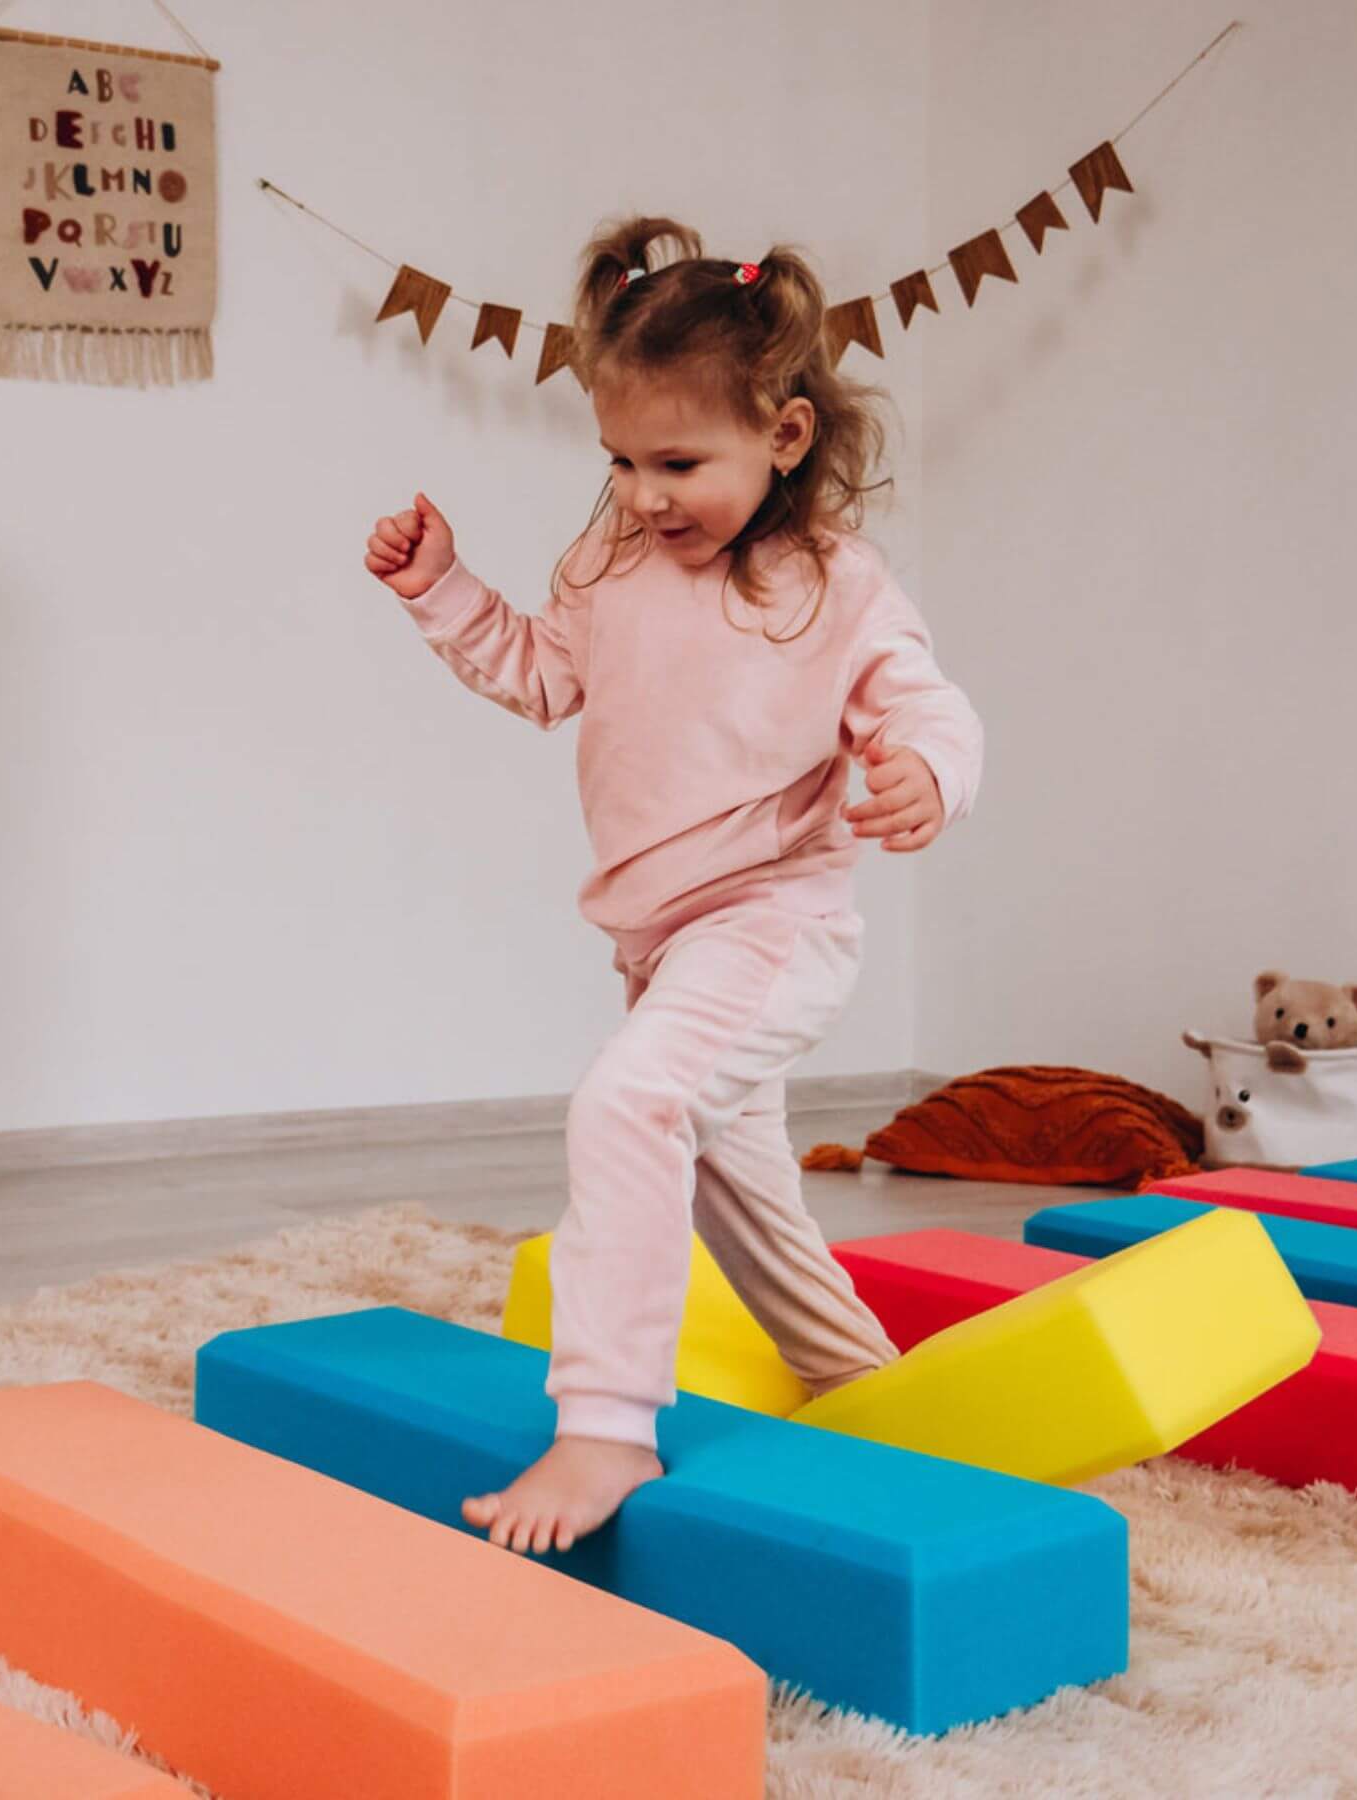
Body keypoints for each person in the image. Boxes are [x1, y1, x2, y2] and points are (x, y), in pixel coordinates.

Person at [364, 215, 983, 1556]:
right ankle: (865, 1383)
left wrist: (928, 773)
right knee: (731, 1176)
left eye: (679, 463)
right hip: (662, 943)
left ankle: (604, 1426)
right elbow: (538, 675)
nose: (645, 494)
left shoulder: (835, 589)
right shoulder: (612, 568)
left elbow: (929, 708)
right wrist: (441, 588)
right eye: (622, 462)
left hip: (774, 923)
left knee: (631, 1103)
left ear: (787, 438)